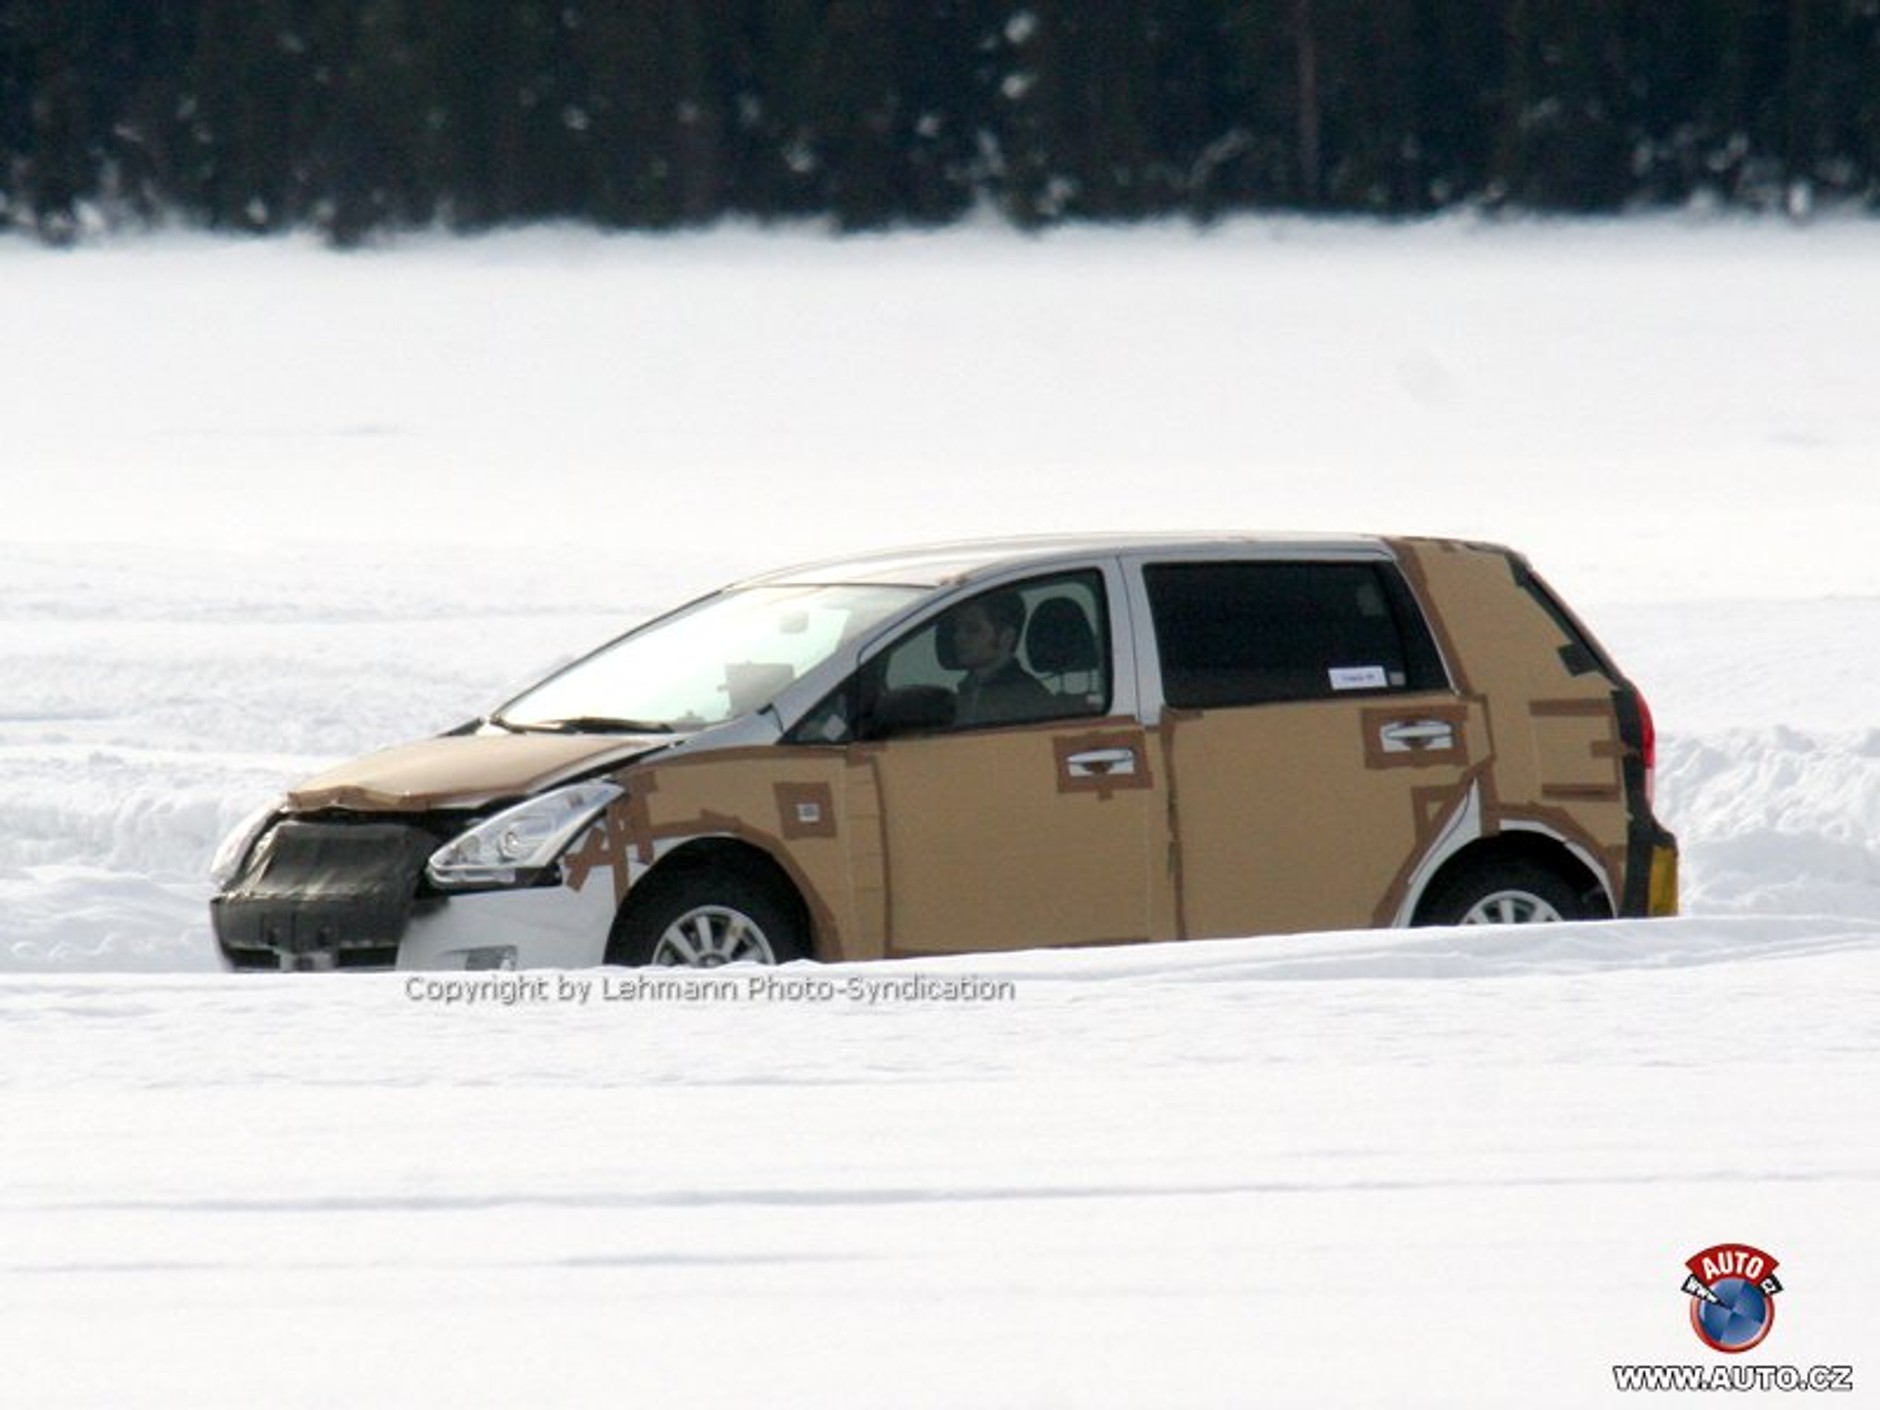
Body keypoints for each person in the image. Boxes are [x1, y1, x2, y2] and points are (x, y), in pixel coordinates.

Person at [948, 590, 1055, 726]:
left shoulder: (1026, 697)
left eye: (973, 629)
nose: (959, 637)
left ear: (1006, 637)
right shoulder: (967, 691)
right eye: (957, 629)